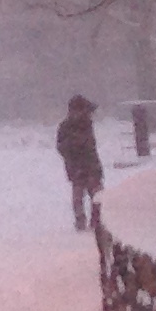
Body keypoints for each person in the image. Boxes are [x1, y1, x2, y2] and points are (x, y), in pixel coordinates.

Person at [56, 94, 105, 231]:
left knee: (97, 194)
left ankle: (96, 220)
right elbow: (62, 147)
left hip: (90, 165)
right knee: (79, 195)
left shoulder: (86, 124)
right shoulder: (67, 127)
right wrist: (75, 147)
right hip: (78, 166)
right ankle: (81, 220)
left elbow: (90, 146)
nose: (89, 115)